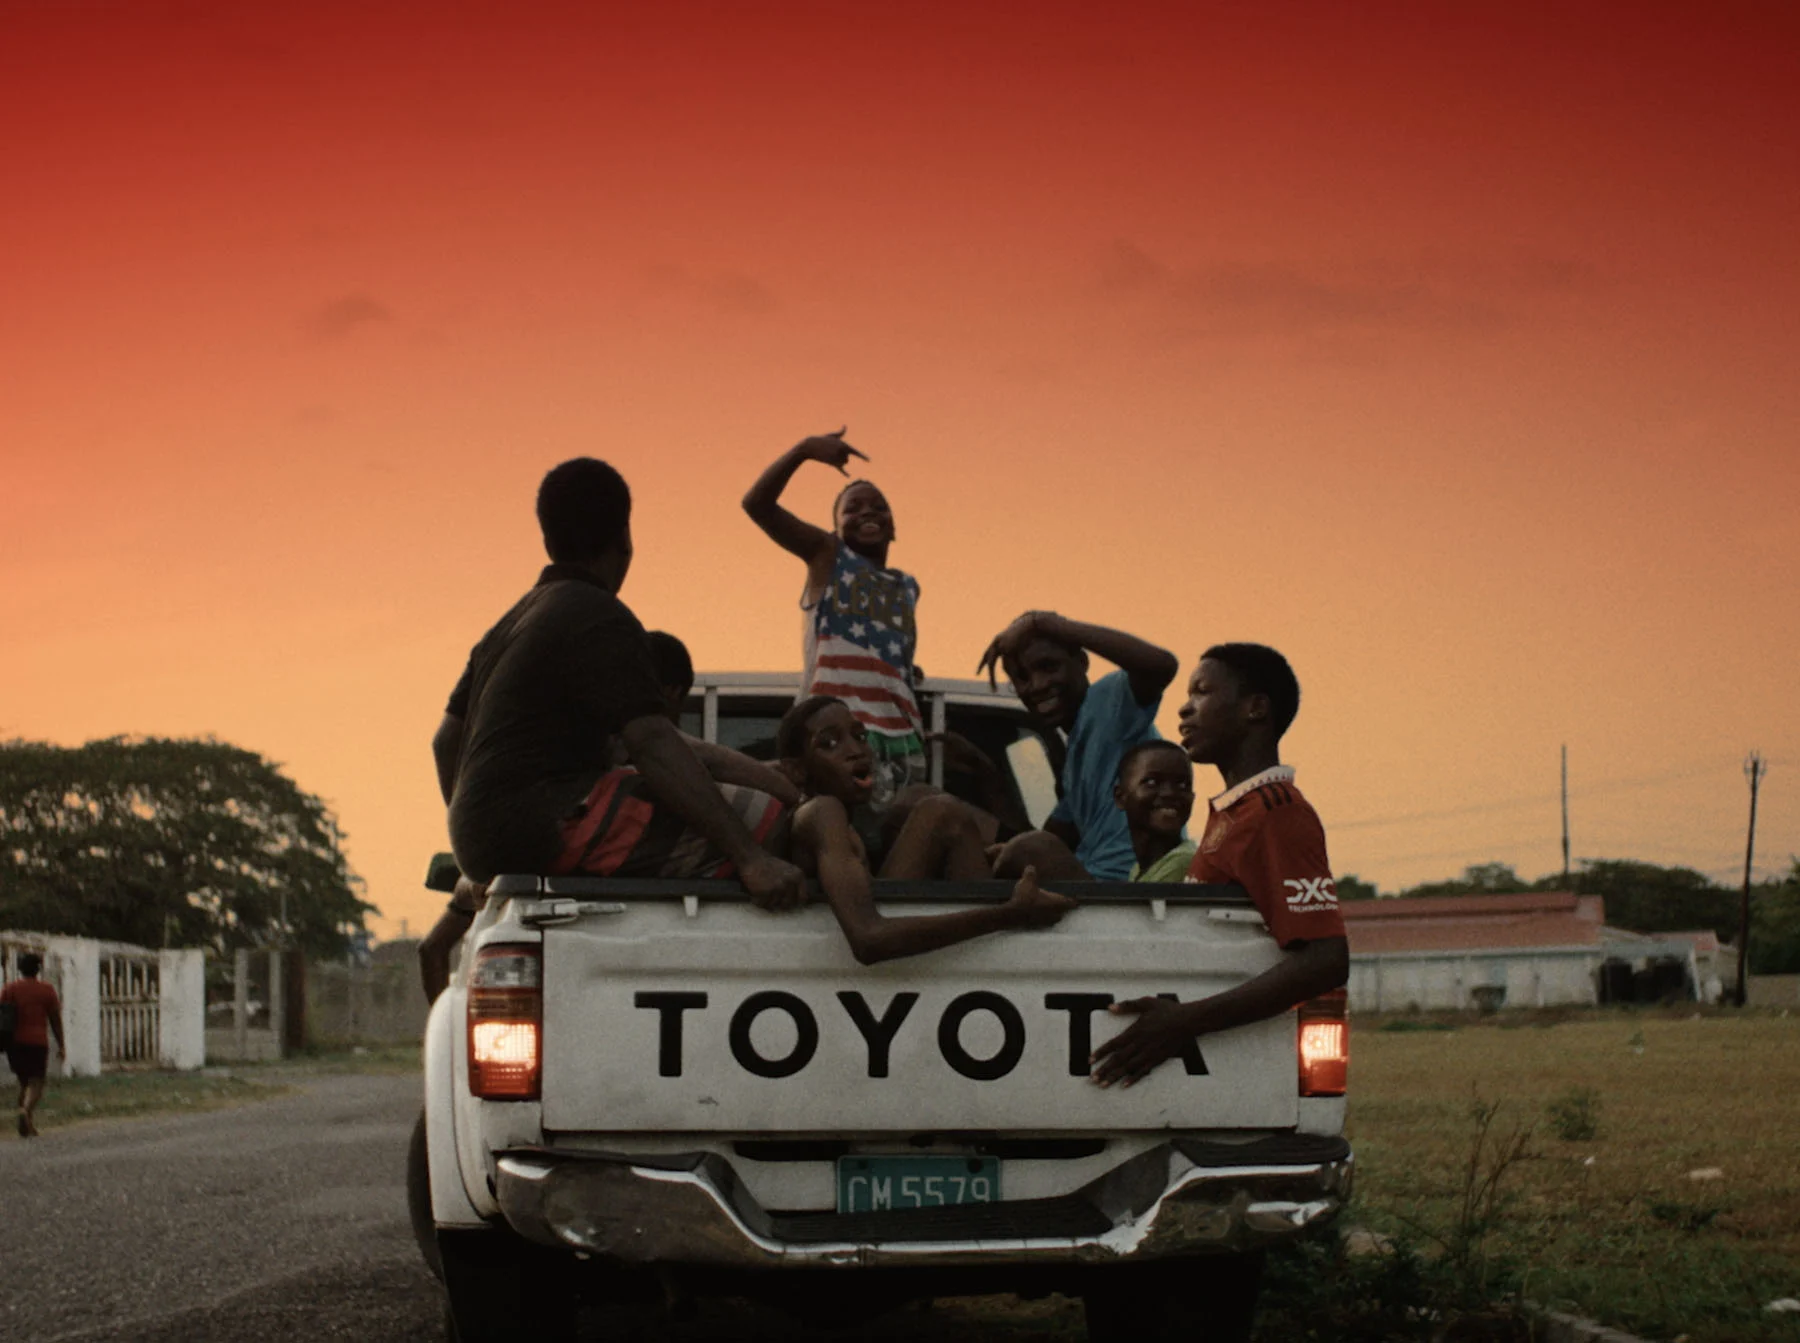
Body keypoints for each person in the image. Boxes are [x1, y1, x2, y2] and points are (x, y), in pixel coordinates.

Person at [447, 457, 805, 892]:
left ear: (548, 539)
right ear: (625, 537)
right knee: (774, 821)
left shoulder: (503, 629)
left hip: (478, 843)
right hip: (549, 824)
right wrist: (753, 858)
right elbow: (653, 743)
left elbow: (446, 740)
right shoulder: (599, 614)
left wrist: (476, 836)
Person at [420, 622, 800, 1004]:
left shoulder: (524, 830)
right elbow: (706, 758)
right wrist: (792, 793)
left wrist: (443, 1021)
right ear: (668, 693)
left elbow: (433, 947)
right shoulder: (646, 764)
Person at [1090, 644, 1349, 1087]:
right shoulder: (1235, 813)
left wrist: (1183, 1021)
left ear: (1255, 708)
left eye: (1202, 692)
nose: (1185, 710)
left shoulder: (1278, 811)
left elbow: (1326, 959)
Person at [779, 696, 1075, 964]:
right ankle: (995, 961)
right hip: (882, 958)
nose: (856, 751)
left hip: (898, 958)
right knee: (942, 813)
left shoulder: (844, 818)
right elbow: (868, 938)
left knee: (919, 801)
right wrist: (1011, 914)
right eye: (829, 743)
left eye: (859, 736)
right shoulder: (822, 812)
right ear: (797, 771)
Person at [743, 429, 928, 810]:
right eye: (854, 508)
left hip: (901, 738)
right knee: (840, 835)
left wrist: (902, 673)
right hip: (837, 737)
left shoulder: (908, 587)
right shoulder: (828, 556)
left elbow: (889, 652)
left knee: (896, 848)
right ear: (836, 528)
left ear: (894, 525)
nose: (868, 513)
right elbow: (756, 504)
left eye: (878, 507)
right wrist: (803, 450)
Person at [977, 611, 1180, 881]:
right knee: (946, 815)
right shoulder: (1076, 757)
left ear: (1082, 662)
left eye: (1049, 667)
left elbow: (1162, 665)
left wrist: (1043, 623)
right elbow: (1046, 836)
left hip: (1122, 891)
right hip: (1092, 885)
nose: (1037, 685)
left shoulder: (1107, 702)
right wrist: (987, 777)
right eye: (1022, 677)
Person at [1115, 740, 1198, 882]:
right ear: (1121, 797)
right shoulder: (1139, 869)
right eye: (1152, 782)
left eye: (1182, 784)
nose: (1169, 793)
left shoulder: (1182, 863)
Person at [3, 954, 65, 1138]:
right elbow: (55, 1020)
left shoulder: (10, 989)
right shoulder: (46, 990)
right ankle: (25, 1111)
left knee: (24, 1082)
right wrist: (62, 1044)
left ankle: (28, 1125)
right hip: (37, 1042)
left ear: (20, 969)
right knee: (37, 1083)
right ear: (38, 969)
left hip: (15, 1042)